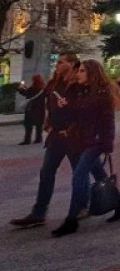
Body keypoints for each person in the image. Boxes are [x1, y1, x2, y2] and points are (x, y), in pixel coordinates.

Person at [52, 59, 120, 237]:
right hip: (83, 141)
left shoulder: (103, 94)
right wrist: (65, 107)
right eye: (78, 70)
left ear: (92, 73)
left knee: (79, 175)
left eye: (82, 71)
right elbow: (77, 116)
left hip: (96, 142)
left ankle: (71, 219)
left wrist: (107, 145)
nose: (77, 74)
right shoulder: (82, 92)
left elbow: (108, 121)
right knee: (101, 176)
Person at [10, 53, 82, 229]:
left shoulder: (78, 84)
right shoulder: (54, 83)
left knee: (80, 172)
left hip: (72, 136)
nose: (57, 65)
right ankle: (38, 213)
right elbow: (48, 103)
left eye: (61, 62)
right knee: (46, 173)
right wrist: (48, 122)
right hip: (56, 136)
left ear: (72, 64)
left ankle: (82, 204)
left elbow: (84, 109)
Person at [17, 75, 46, 145]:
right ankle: (38, 138)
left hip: (31, 109)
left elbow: (25, 93)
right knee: (39, 126)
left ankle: (27, 140)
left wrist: (20, 88)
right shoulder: (43, 89)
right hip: (41, 110)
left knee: (28, 126)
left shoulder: (32, 88)